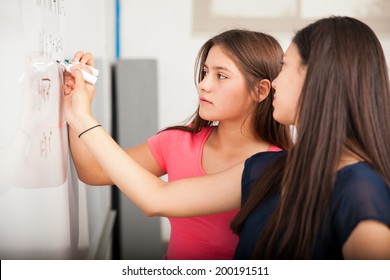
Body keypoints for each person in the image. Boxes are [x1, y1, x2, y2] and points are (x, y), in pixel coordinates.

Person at [64, 16, 390, 259]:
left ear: (319, 80)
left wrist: (83, 117)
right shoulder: (269, 169)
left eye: (286, 68)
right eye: (206, 73)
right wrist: (79, 115)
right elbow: (155, 199)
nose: (276, 82)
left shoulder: (359, 189)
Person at [64, 29, 292, 260]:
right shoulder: (175, 142)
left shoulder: (279, 169)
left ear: (260, 90)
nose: (203, 84)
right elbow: (92, 171)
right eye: (204, 73)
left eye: (221, 76)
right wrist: (75, 106)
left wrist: (83, 118)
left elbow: (155, 200)